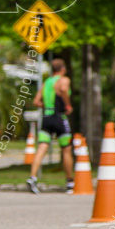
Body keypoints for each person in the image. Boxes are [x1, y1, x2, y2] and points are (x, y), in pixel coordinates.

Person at [27, 58, 74, 194]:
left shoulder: (46, 82)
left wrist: (46, 106)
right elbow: (64, 89)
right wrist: (68, 105)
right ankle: (69, 181)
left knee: (42, 147)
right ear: (63, 69)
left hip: (46, 118)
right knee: (66, 149)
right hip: (59, 117)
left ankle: (33, 177)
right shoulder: (63, 80)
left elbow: (36, 101)